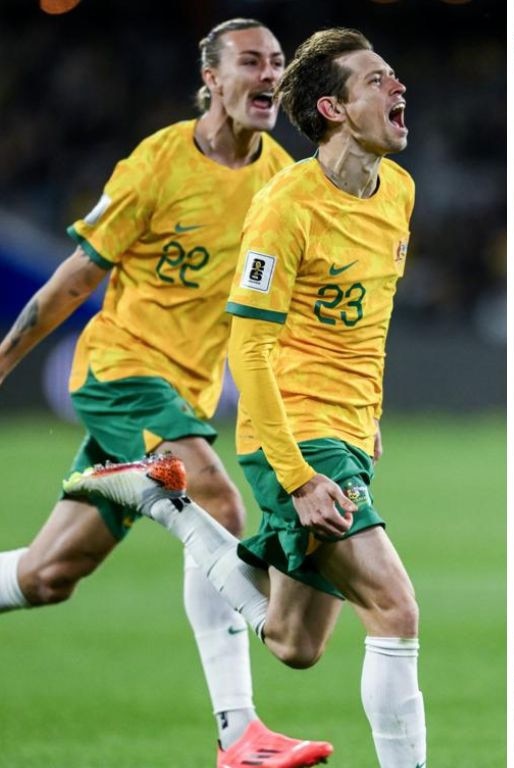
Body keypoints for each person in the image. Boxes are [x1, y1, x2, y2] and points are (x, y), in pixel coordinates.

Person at [65, 27, 427, 765]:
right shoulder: (284, 205)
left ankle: (168, 505)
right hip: (296, 431)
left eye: (395, 77)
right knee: (394, 607)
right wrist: (294, 474)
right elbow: (249, 343)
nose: (398, 89)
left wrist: (374, 414)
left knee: (296, 645)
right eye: (377, 80)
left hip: (351, 430)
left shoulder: (400, 191)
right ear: (332, 107)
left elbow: (371, 323)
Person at [0, 19, 334, 766]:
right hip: (121, 374)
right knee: (217, 501)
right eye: (251, 61)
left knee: (49, 575)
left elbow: (285, 311)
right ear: (211, 79)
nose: (270, 75)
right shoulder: (157, 163)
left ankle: (135, 484)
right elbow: (75, 279)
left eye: (279, 62)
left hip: (179, 400)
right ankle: (238, 733)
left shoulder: (280, 182)